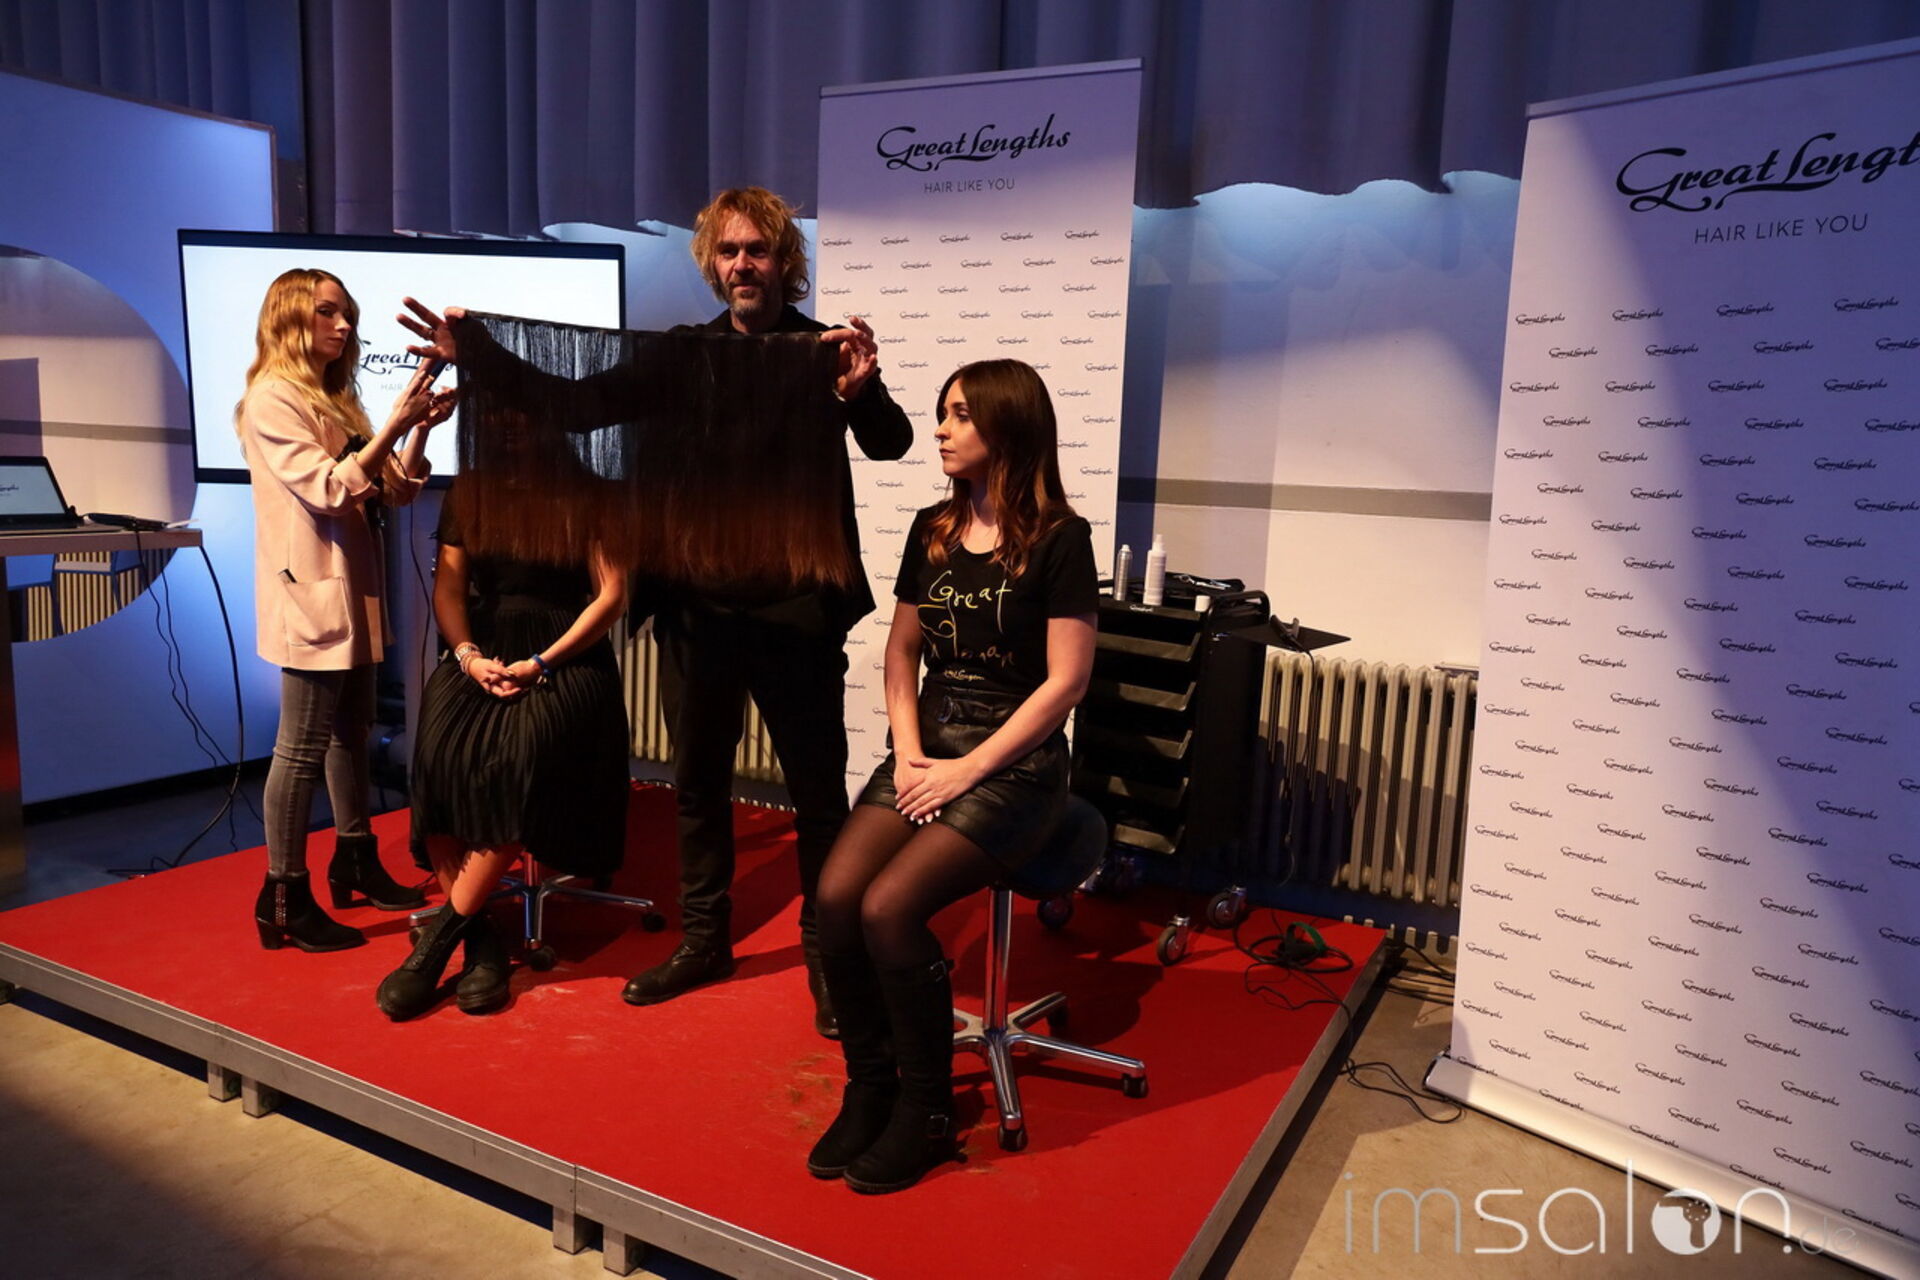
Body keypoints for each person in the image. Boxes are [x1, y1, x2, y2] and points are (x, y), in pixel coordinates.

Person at [398, 187, 912, 1036]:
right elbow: (574, 402)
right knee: (698, 788)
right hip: (699, 612)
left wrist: (861, 390)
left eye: (758, 250)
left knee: (819, 797)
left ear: (785, 260)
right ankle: (704, 942)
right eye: (729, 251)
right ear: (712, 263)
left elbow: (891, 444)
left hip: (795, 614)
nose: (743, 264)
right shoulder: (684, 356)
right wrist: (479, 355)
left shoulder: (821, 351)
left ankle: (829, 957)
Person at [805, 359, 1097, 1194]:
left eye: (961, 414)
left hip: (1014, 763)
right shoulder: (931, 529)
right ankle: (872, 1086)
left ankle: (928, 1112)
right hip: (929, 745)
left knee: (889, 908)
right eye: (942, 412)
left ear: (1007, 427)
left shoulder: (1060, 539)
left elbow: (1065, 684)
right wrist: (907, 753)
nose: (940, 428)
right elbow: (901, 653)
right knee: (835, 898)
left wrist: (967, 768)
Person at [239, 267, 455, 952]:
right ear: (288, 317)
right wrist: (394, 420)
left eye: (348, 315)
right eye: (327, 312)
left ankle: (354, 856)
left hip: (350, 594)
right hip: (309, 596)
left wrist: (417, 429)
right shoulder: (272, 400)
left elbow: (395, 487)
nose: (343, 326)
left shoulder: (333, 399)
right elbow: (331, 491)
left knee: (350, 733)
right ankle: (282, 894)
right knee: (300, 747)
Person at [375, 471, 631, 1021]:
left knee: (521, 759)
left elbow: (611, 596)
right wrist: (467, 657)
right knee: (437, 756)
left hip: (566, 653)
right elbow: (449, 591)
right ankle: (482, 939)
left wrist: (541, 663)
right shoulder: (471, 491)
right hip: (483, 649)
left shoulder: (588, 492)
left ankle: (436, 944)